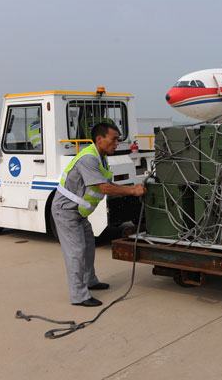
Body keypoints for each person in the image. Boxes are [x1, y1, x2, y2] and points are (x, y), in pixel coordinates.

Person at [52, 123, 147, 307]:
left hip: (78, 212)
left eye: (118, 139)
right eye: (114, 139)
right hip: (66, 211)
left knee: (88, 246)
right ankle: (79, 296)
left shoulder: (101, 157)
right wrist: (132, 191)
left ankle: (90, 281)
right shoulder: (88, 159)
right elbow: (104, 187)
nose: (117, 143)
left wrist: (132, 188)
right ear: (99, 139)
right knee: (76, 252)